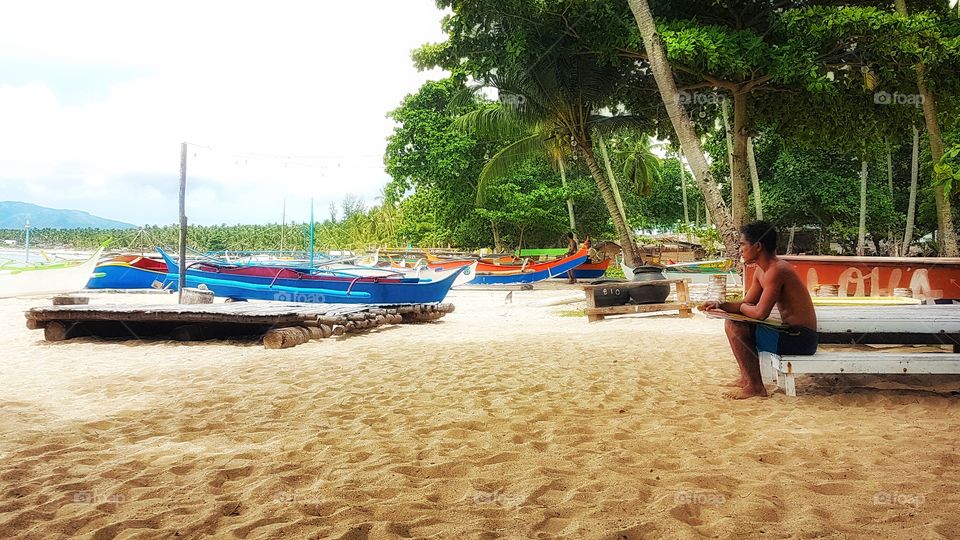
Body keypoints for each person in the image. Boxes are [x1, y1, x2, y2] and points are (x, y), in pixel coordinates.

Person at [698, 221, 817, 399]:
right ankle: (747, 379)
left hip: (801, 339)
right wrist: (719, 304)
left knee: (736, 327)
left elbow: (760, 313)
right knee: (732, 322)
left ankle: (755, 386)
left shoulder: (777, 270)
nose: (740, 250)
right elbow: (746, 303)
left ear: (758, 246)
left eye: (743, 244)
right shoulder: (761, 271)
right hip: (790, 334)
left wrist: (744, 307)